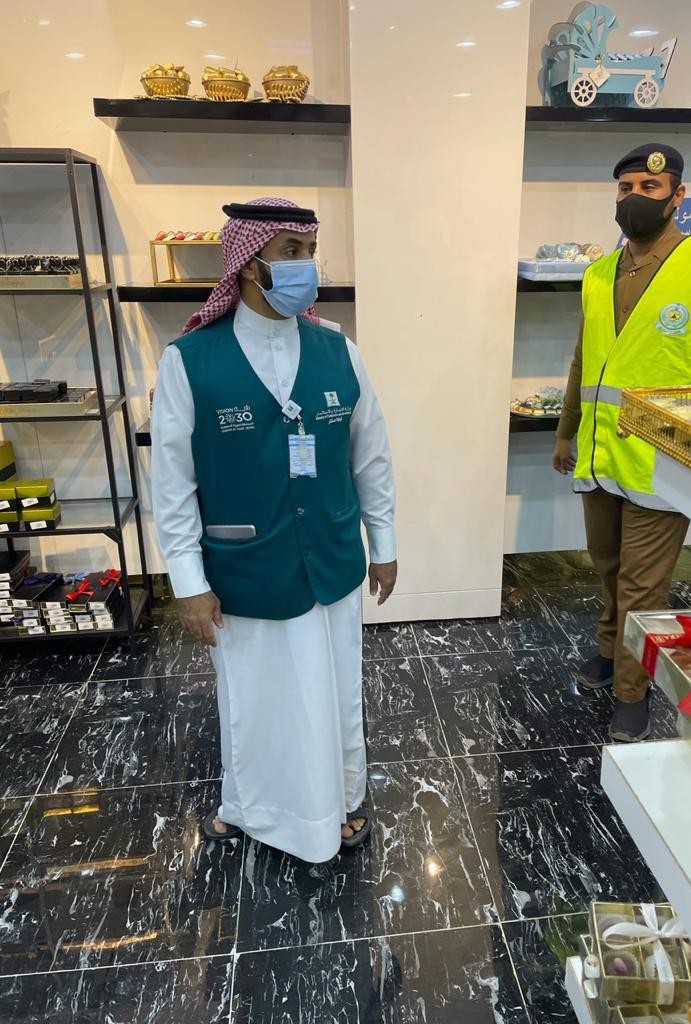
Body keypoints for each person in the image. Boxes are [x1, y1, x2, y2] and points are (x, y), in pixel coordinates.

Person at [151, 197, 397, 862]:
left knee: (336, 692)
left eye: (310, 251)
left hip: (331, 556)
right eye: (290, 252)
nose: (305, 265)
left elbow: (371, 457)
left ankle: (341, 801)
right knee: (253, 699)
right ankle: (252, 809)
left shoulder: (340, 352)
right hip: (244, 566)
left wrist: (385, 545)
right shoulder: (189, 361)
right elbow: (172, 485)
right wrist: (188, 582)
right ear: (247, 262)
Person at [552, 144, 691, 742]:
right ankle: (610, 650)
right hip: (599, 453)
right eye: (626, 188)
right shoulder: (598, 273)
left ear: (677, 196)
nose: (635, 197)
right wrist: (565, 431)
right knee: (608, 567)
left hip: (664, 461)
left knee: (643, 585)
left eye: (649, 187)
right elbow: (584, 361)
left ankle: (632, 693)